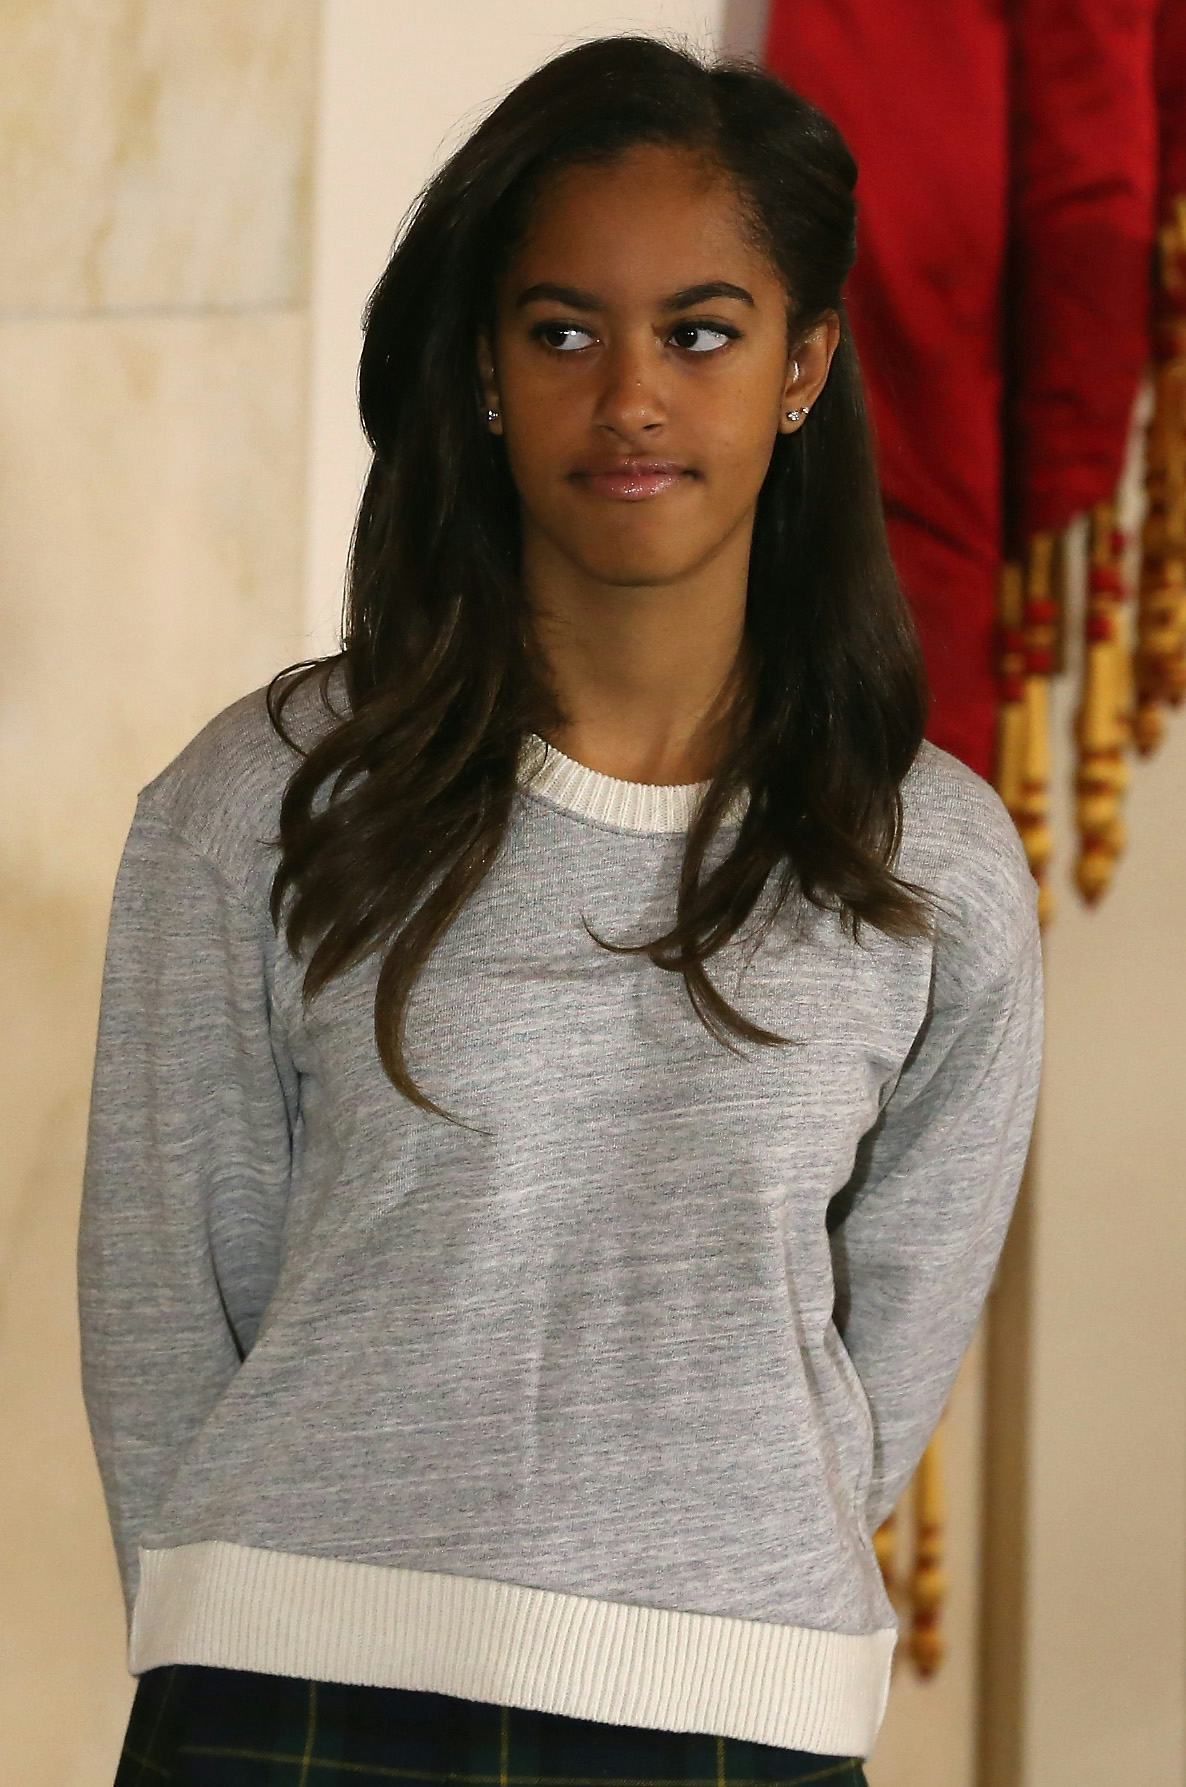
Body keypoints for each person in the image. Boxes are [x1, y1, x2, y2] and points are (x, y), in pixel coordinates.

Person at [77, 30, 1044, 1786]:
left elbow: (884, 1363)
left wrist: (715, 1603)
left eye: (700, 332)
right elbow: (165, 1300)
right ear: (483, 368)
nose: (632, 400)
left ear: (804, 364)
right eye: (562, 332)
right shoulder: (262, 802)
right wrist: (231, 1615)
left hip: (733, 1719)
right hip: (289, 1701)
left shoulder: (933, 861)